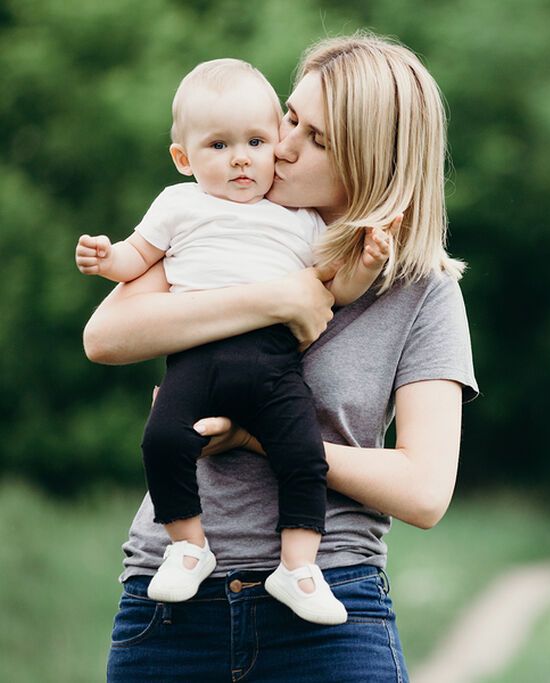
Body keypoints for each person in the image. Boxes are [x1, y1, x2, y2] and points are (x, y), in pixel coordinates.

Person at [87, 32, 477, 682]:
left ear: (371, 160)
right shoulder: (218, 218)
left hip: (329, 607)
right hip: (170, 610)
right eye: (291, 117)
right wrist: (275, 298)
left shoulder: (422, 291)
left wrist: (257, 437)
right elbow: (106, 336)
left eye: (316, 137)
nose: (283, 144)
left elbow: (424, 491)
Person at [76, 58, 393, 626]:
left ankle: (298, 567)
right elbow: (134, 258)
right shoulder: (179, 205)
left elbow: (334, 289)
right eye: (219, 145)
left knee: (304, 456)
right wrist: (106, 258)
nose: (241, 158)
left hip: (273, 366)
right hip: (195, 361)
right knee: (161, 440)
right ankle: (188, 546)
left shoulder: (300, 219)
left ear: (273, 146)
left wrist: (366, 265)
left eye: (256, 141)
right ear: (184, 158)